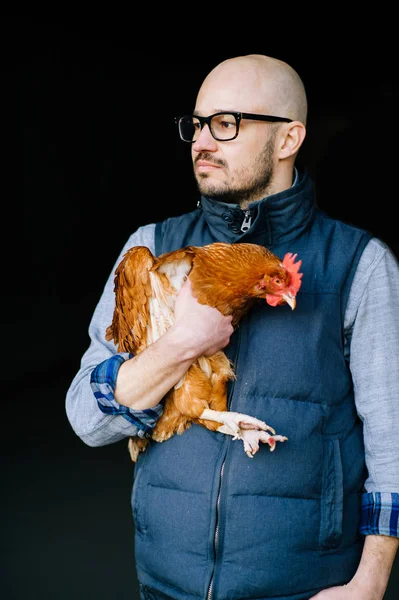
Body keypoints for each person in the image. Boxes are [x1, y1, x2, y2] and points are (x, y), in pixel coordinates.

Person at [65, 54, 399, 600]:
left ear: (289, 139)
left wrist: (369, 584)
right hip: (166, 584)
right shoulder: (149, 249)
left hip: (304, 589)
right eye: (196, 125)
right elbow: (86, 417)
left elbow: (394, 440)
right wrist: (181, 345)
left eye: (226, 124)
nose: (201, 141)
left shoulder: (360, 265)